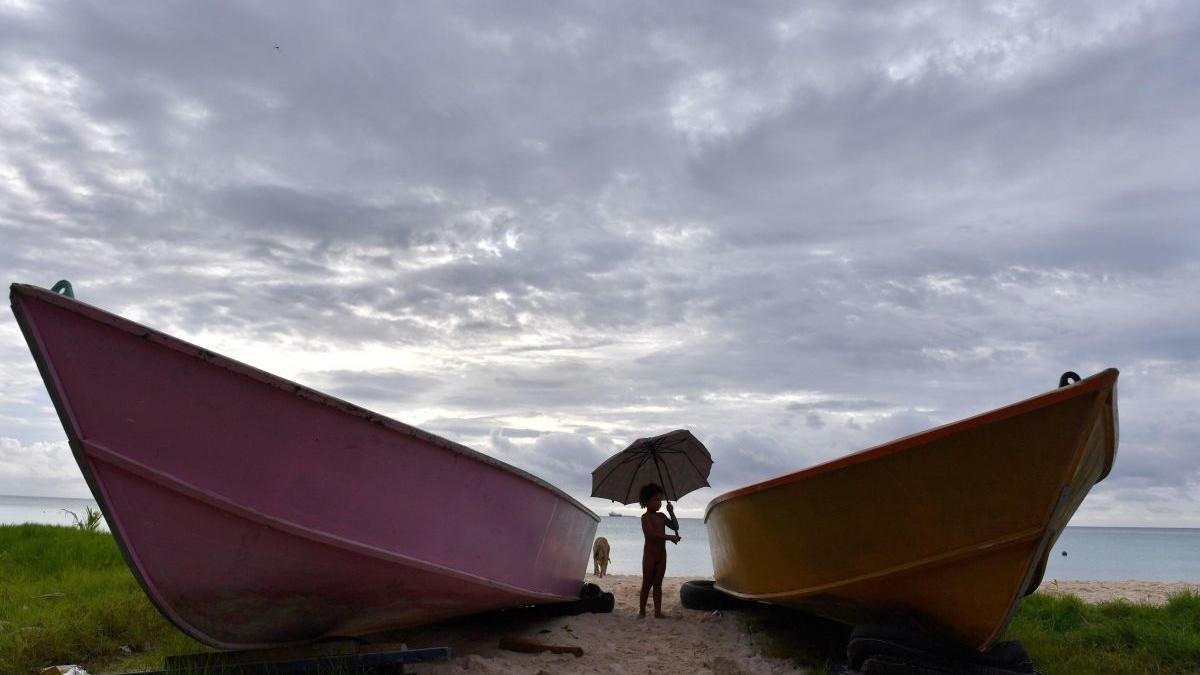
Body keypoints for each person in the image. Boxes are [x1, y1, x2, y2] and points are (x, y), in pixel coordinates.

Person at [638, 483, 680, 618]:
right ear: (646, 502)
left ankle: (657, 612)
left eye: (660, 499)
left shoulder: (662, 516)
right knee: (646, 584)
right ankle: (642, 611)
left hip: (662, 555)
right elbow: (652, 535)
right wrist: (670, 537)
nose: (659, 503)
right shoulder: (645, 518)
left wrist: (671, 512)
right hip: (649, 556)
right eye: (656, 499)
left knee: (658, 584)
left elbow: (675, 526)